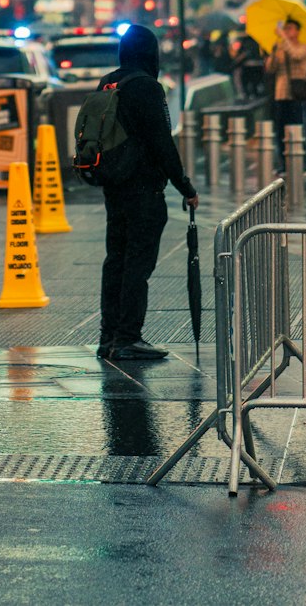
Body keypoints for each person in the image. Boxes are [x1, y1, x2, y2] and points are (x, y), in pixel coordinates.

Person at [93, 23, 198, 363]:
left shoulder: (109, 82)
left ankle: (108, 337)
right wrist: (184, 186)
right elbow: (161, 143)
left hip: (114, 187)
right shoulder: (147, 87)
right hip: (143, 191)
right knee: (138, 264)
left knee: (116, 262)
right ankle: (128, 338)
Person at [265, 18, 306, 172]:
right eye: (286, 28)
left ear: (297, 31)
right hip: (281, 94)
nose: (287, 31)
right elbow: (270, 69)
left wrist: (283, 39)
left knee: (298, 129)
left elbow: (296, 55)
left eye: (290, 28)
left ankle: (301, 162)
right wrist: (273, 51)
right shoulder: (280, 47)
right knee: (280, 131)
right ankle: (283, 164)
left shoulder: (303, 47)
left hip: (296, 95)